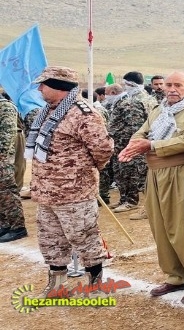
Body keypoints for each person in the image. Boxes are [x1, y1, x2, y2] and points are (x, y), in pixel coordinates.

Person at [118, 71, 184, 305]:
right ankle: (176, 276)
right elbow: (142, 132)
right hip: (156, 173)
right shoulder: (159, 109)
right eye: (169, 85)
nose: (172, 89)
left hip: (183, 173)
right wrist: (134, 144)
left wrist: (151, 145)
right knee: (161, 227)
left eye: (178, 85)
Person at [26, 66, 114, 296]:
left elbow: (103, 149)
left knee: (84, 237)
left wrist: (81, 174)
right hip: (46, 192)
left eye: (43, 84)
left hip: (75, 193)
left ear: (59, 87)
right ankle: (57, 286)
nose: (39, 89)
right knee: (50, 240)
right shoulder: (47, 112)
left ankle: (95, 285)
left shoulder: (83, 114)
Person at [108, 71, 157, 214]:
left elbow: (134, 128)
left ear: (130, 84)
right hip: (142, 143)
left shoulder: (133, 102)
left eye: (126, 84)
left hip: (128, 143)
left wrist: (130, 146)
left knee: (129, 173)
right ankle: (125, 199)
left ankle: (130, 201)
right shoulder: (150, 99)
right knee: (132, 173)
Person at [0, 94, 26, 243]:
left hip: (2, 158)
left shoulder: (5, 106)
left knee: (7, 191)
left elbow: (7, 136)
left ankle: (17, 227)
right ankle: (5, 224)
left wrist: (2, 155)